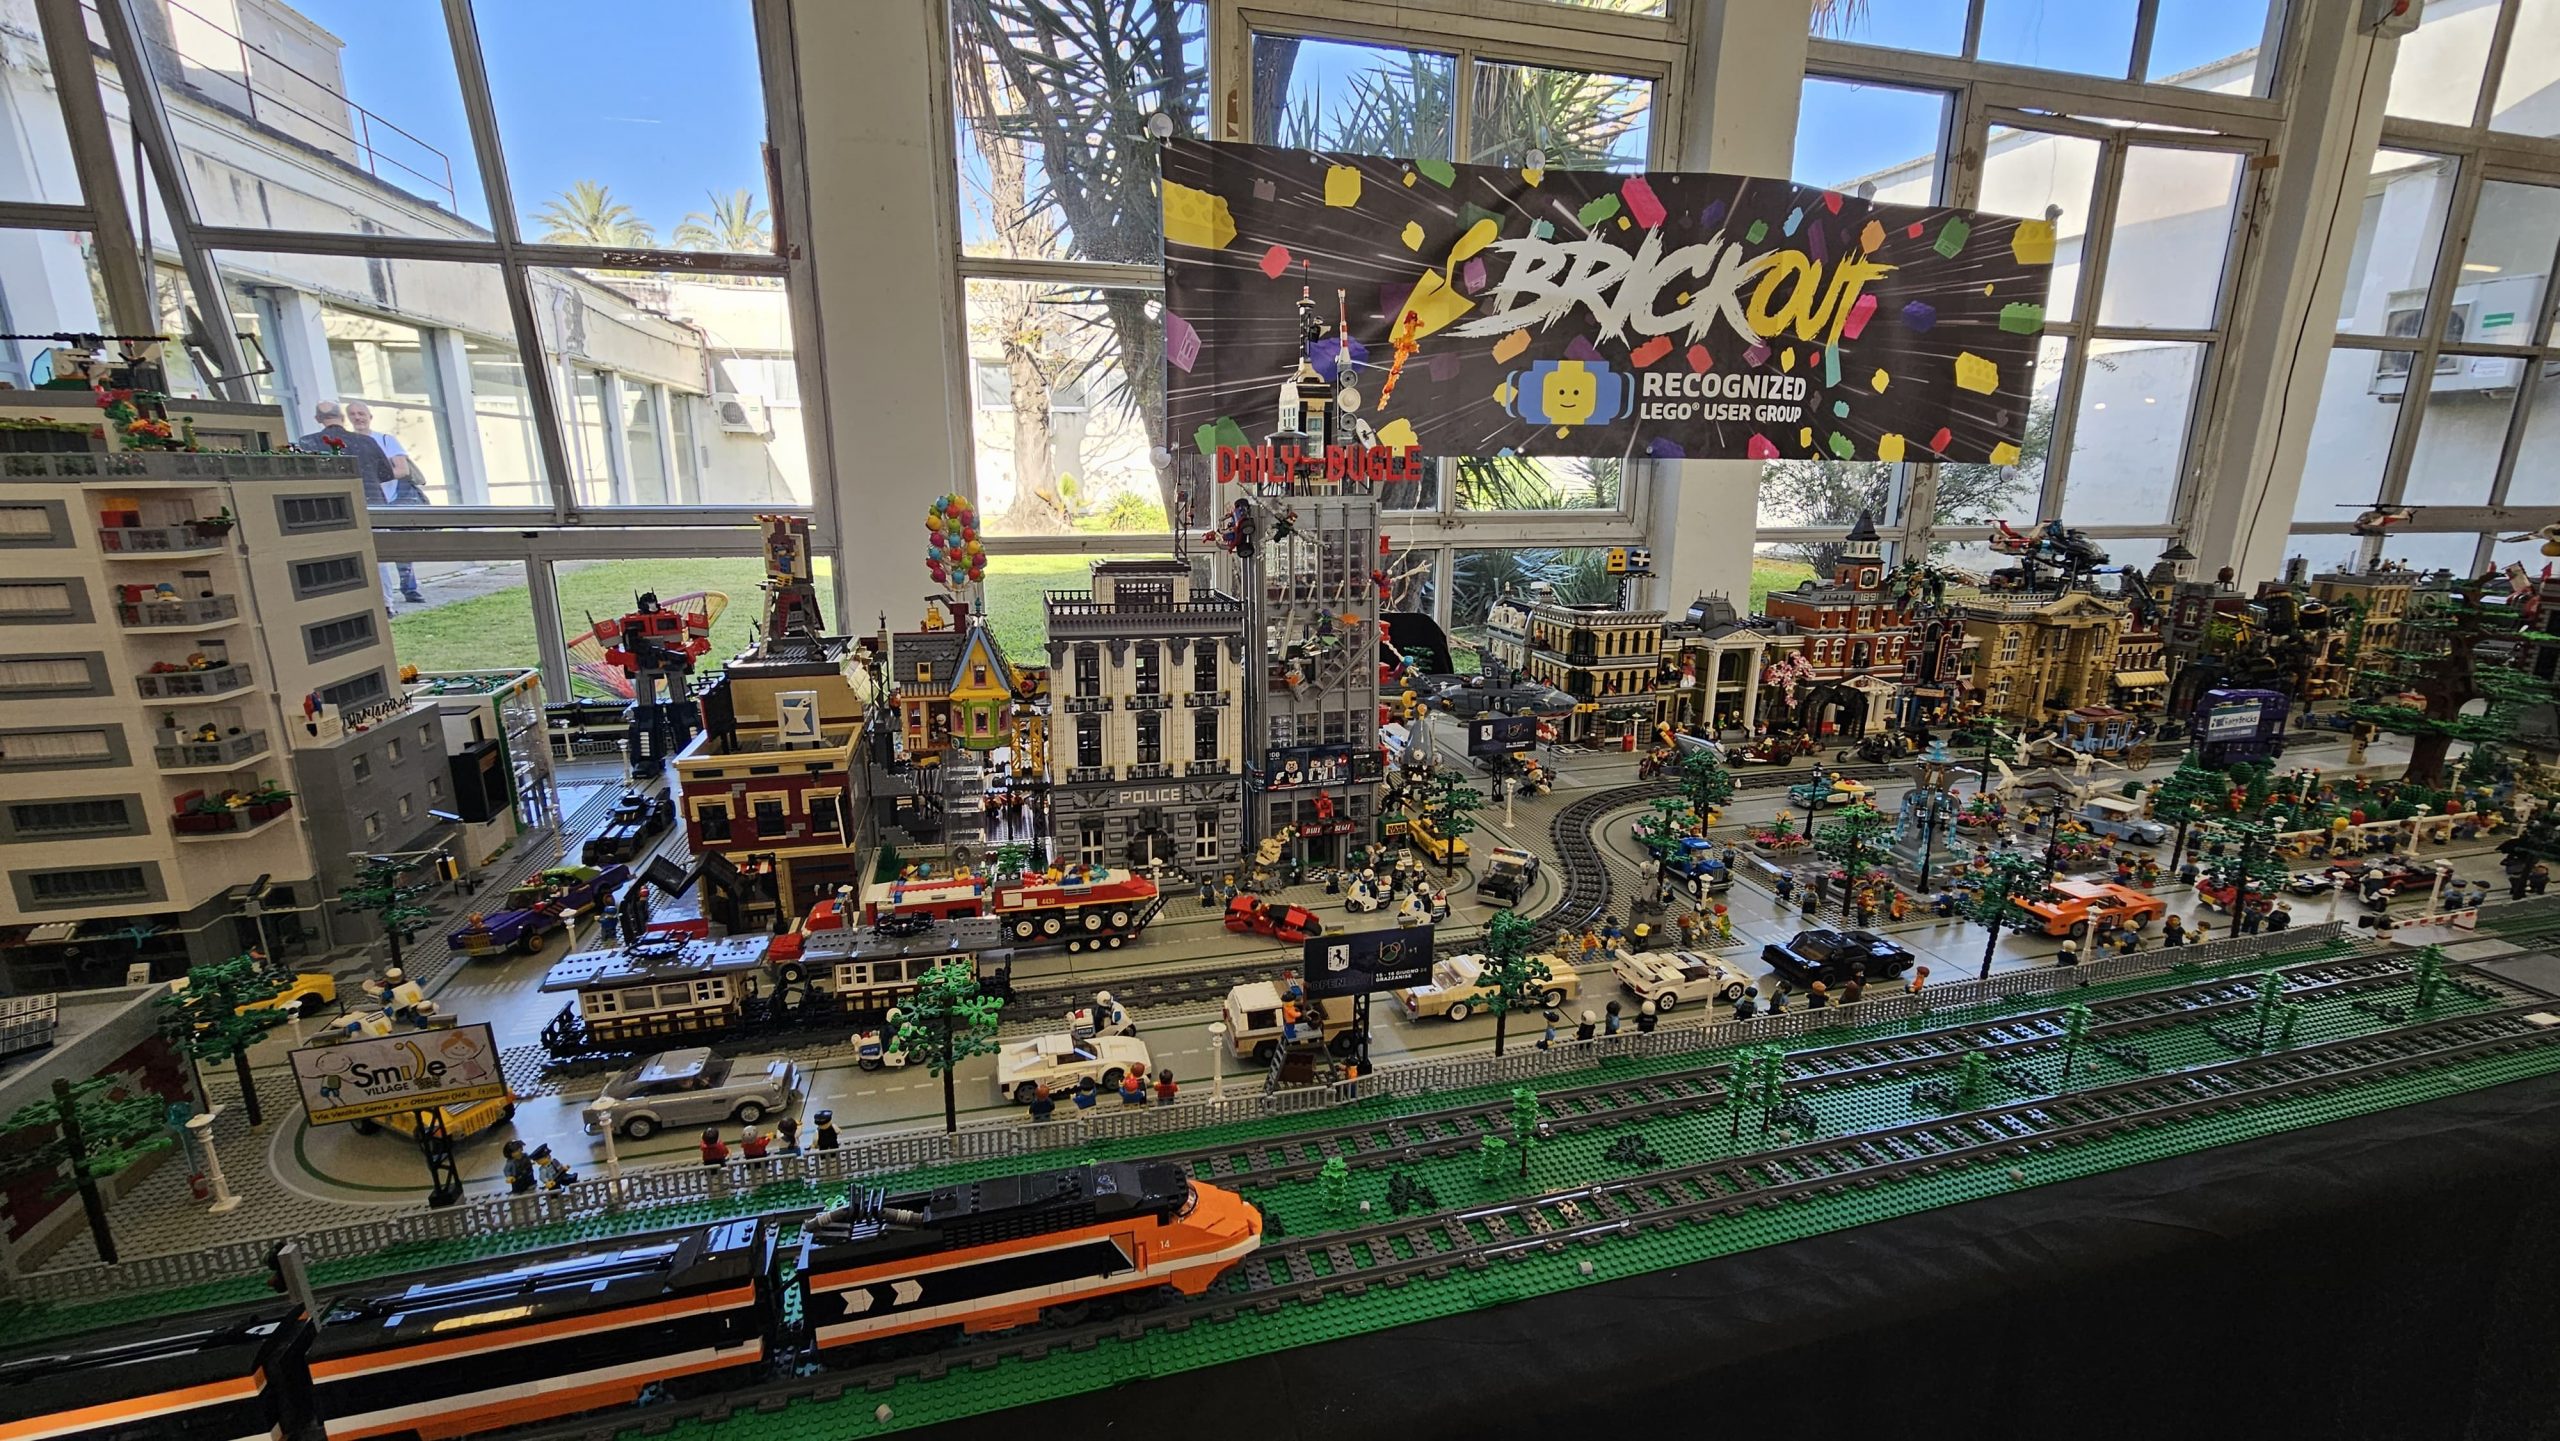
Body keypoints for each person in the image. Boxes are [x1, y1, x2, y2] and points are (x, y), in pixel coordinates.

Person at [347, 401, 429, 603]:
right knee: (375, 547)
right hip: (366, 502)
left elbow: (402, 469)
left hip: (391, 499)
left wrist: (373, 477)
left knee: (400, 545)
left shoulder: (385, 440)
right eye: (353, 414)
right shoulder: (347, 442)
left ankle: (409, 588)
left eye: (361, 413)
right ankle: (381, 595)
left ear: (369, 417)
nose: (358, 417)